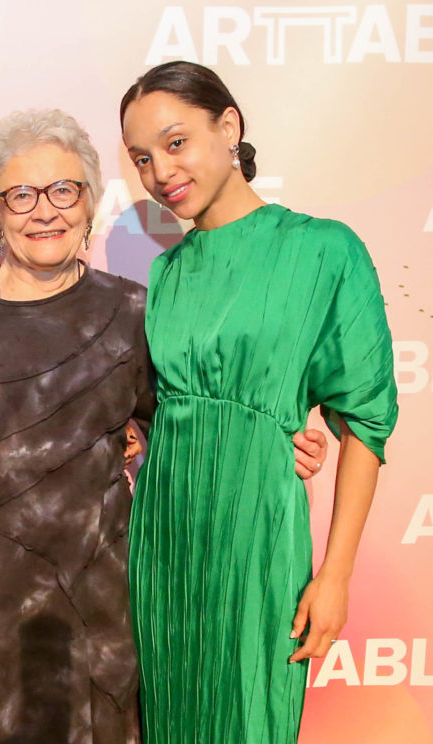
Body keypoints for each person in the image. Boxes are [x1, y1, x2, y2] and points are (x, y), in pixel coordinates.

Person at [0, 109, 330, 744]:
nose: (44, 210)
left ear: (90, 204)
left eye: (64, 189)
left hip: (93, 615)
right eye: (21, 194)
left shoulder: (134, 312)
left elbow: (195, 422)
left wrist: (272, 445)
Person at [120, 61, 398, 744]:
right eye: (142, 159)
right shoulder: (165, 271)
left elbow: (364, 419)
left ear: (229, 127)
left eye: (176, 142)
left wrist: (334, 577)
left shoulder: (324, 250)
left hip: (259, 538)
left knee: (250, 719)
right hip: (164, 540)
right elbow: (162, 411)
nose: (161, 172)